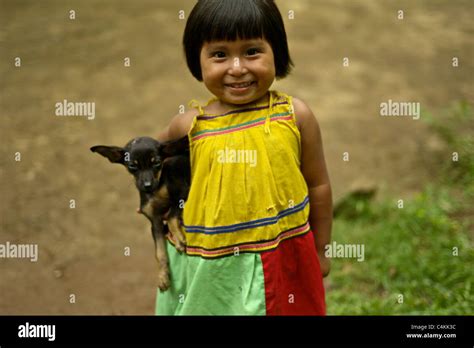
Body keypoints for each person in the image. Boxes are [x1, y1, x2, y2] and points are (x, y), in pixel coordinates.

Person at [156, 0, 332, 315]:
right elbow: (156, 175)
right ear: (198, 60)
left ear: (277, 51)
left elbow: (318, 185)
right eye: (220, 54)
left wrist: (320, 251)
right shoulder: (188, 128)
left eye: (252, 51)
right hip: (211, 268)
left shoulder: (295, 116)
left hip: (283, 258)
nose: (237, 68)